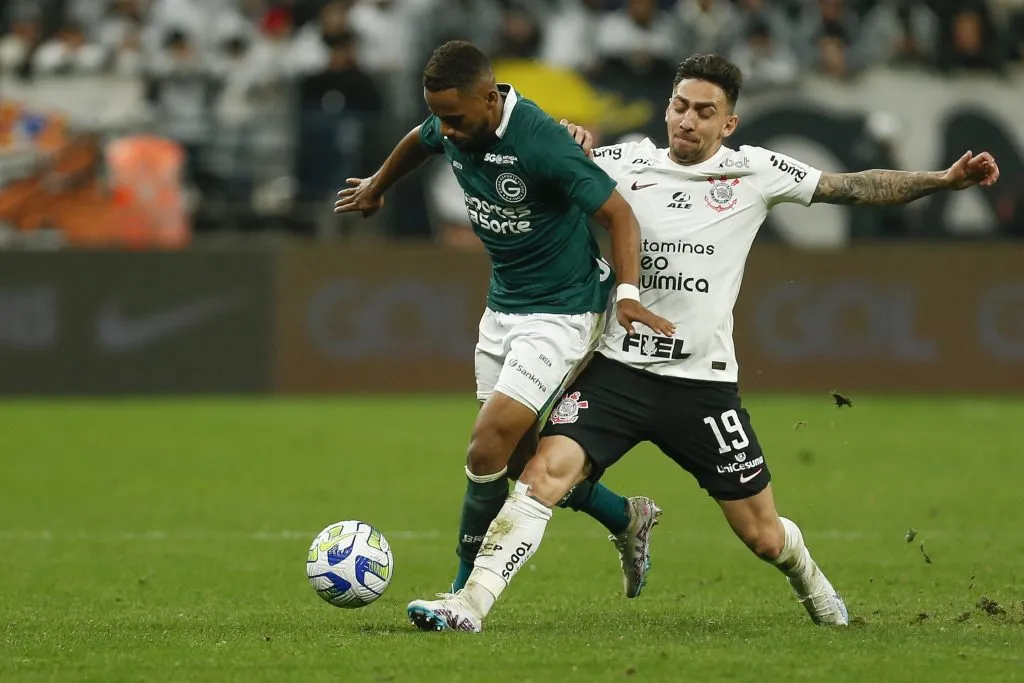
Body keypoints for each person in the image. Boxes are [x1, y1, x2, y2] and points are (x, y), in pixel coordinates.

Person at [406, 53, 1000, 632]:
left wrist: (942, 180)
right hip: (617, 371)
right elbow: (555, 171)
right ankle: (473, 605)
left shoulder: (756, 172)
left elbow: (854, 186)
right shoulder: (623, 161)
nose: (688, 120)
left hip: (703, 386)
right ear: (667, 108)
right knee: (542, 473)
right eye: (680, 106)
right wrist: (571, 141)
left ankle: (816, 588)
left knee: (763, 537)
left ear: (729, 123)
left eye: (704, 111)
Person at [334, 40, 674, 603]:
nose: (445, 130)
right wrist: (377, 184)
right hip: (504, 309)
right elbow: (417, 141)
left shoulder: (540, 141)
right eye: (437, 116)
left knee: (486, 444)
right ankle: (627, 515)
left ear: (490, 99)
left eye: (454, 119)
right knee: (520, 460)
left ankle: (463, 590)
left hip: (564, 311)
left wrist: (628, 293)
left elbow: (618, 214)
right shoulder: (452, 120)